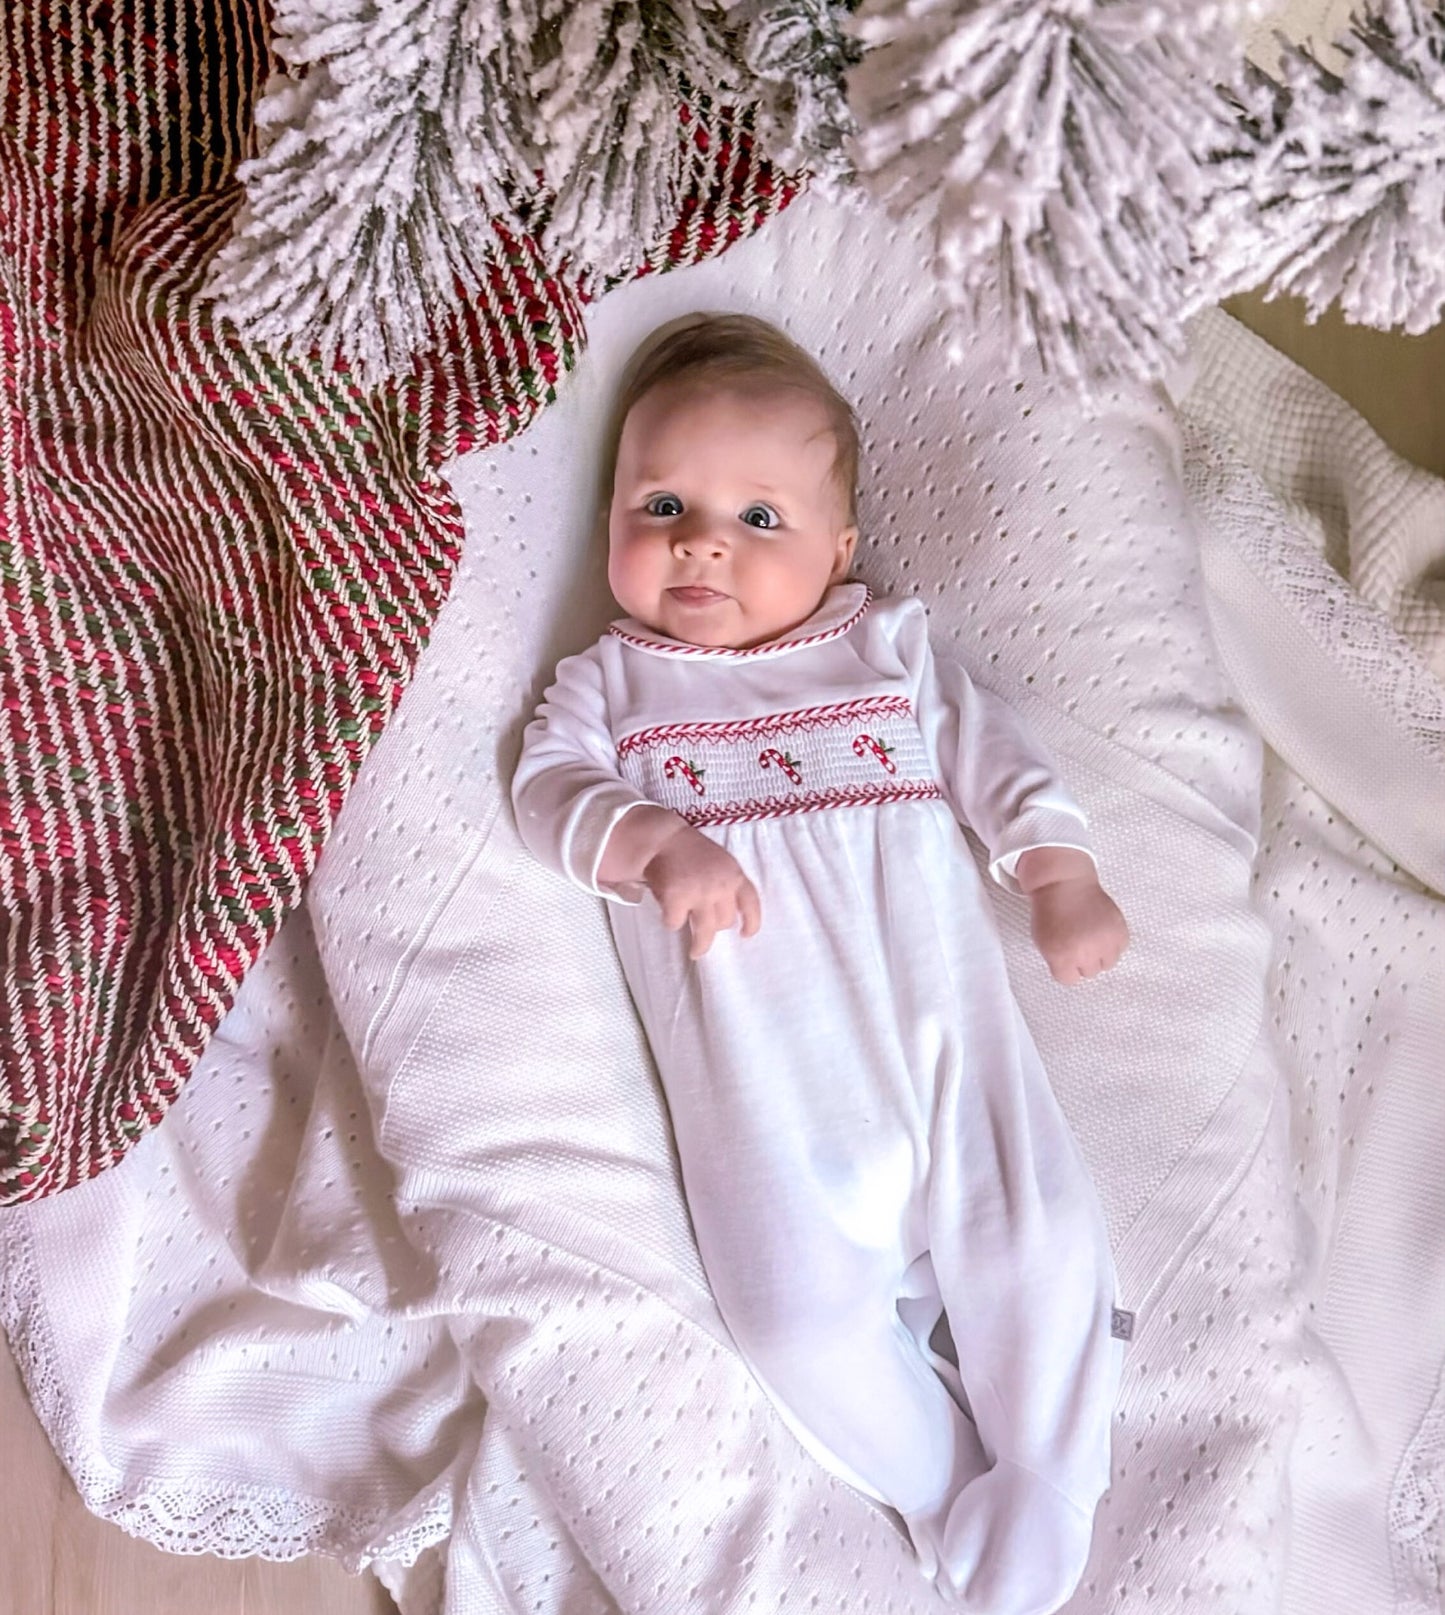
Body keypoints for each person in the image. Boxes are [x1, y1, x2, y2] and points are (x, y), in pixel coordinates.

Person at [511, 312, 1130, 1615]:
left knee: (1041, 1241)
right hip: (768, 1107)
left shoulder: (884, 653)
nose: (700, 543)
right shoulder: (610, 689)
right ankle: (946, 1491)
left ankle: (1048, 1476)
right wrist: (648, 841)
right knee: (791, 1321)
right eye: (663, 502)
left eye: (757, 518)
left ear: (839, 552)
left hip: (947, 1053)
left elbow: (993, 755)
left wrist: (1056, 871)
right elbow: (541, 793)